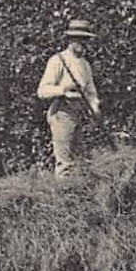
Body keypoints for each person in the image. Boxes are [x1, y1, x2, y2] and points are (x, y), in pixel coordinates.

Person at [36, 19, 101, 178]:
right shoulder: (58, 61)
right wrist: (63, 90)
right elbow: (42, 90)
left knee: (81, 160)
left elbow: (91, 93)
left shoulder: (85, 65)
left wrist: (95, 109)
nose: (82, 44)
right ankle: (62, 198)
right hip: (61, 113)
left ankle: (77, 195)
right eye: (79, 39)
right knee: (65, 163)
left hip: (78, 114)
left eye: (85, 40)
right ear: (70, 40)